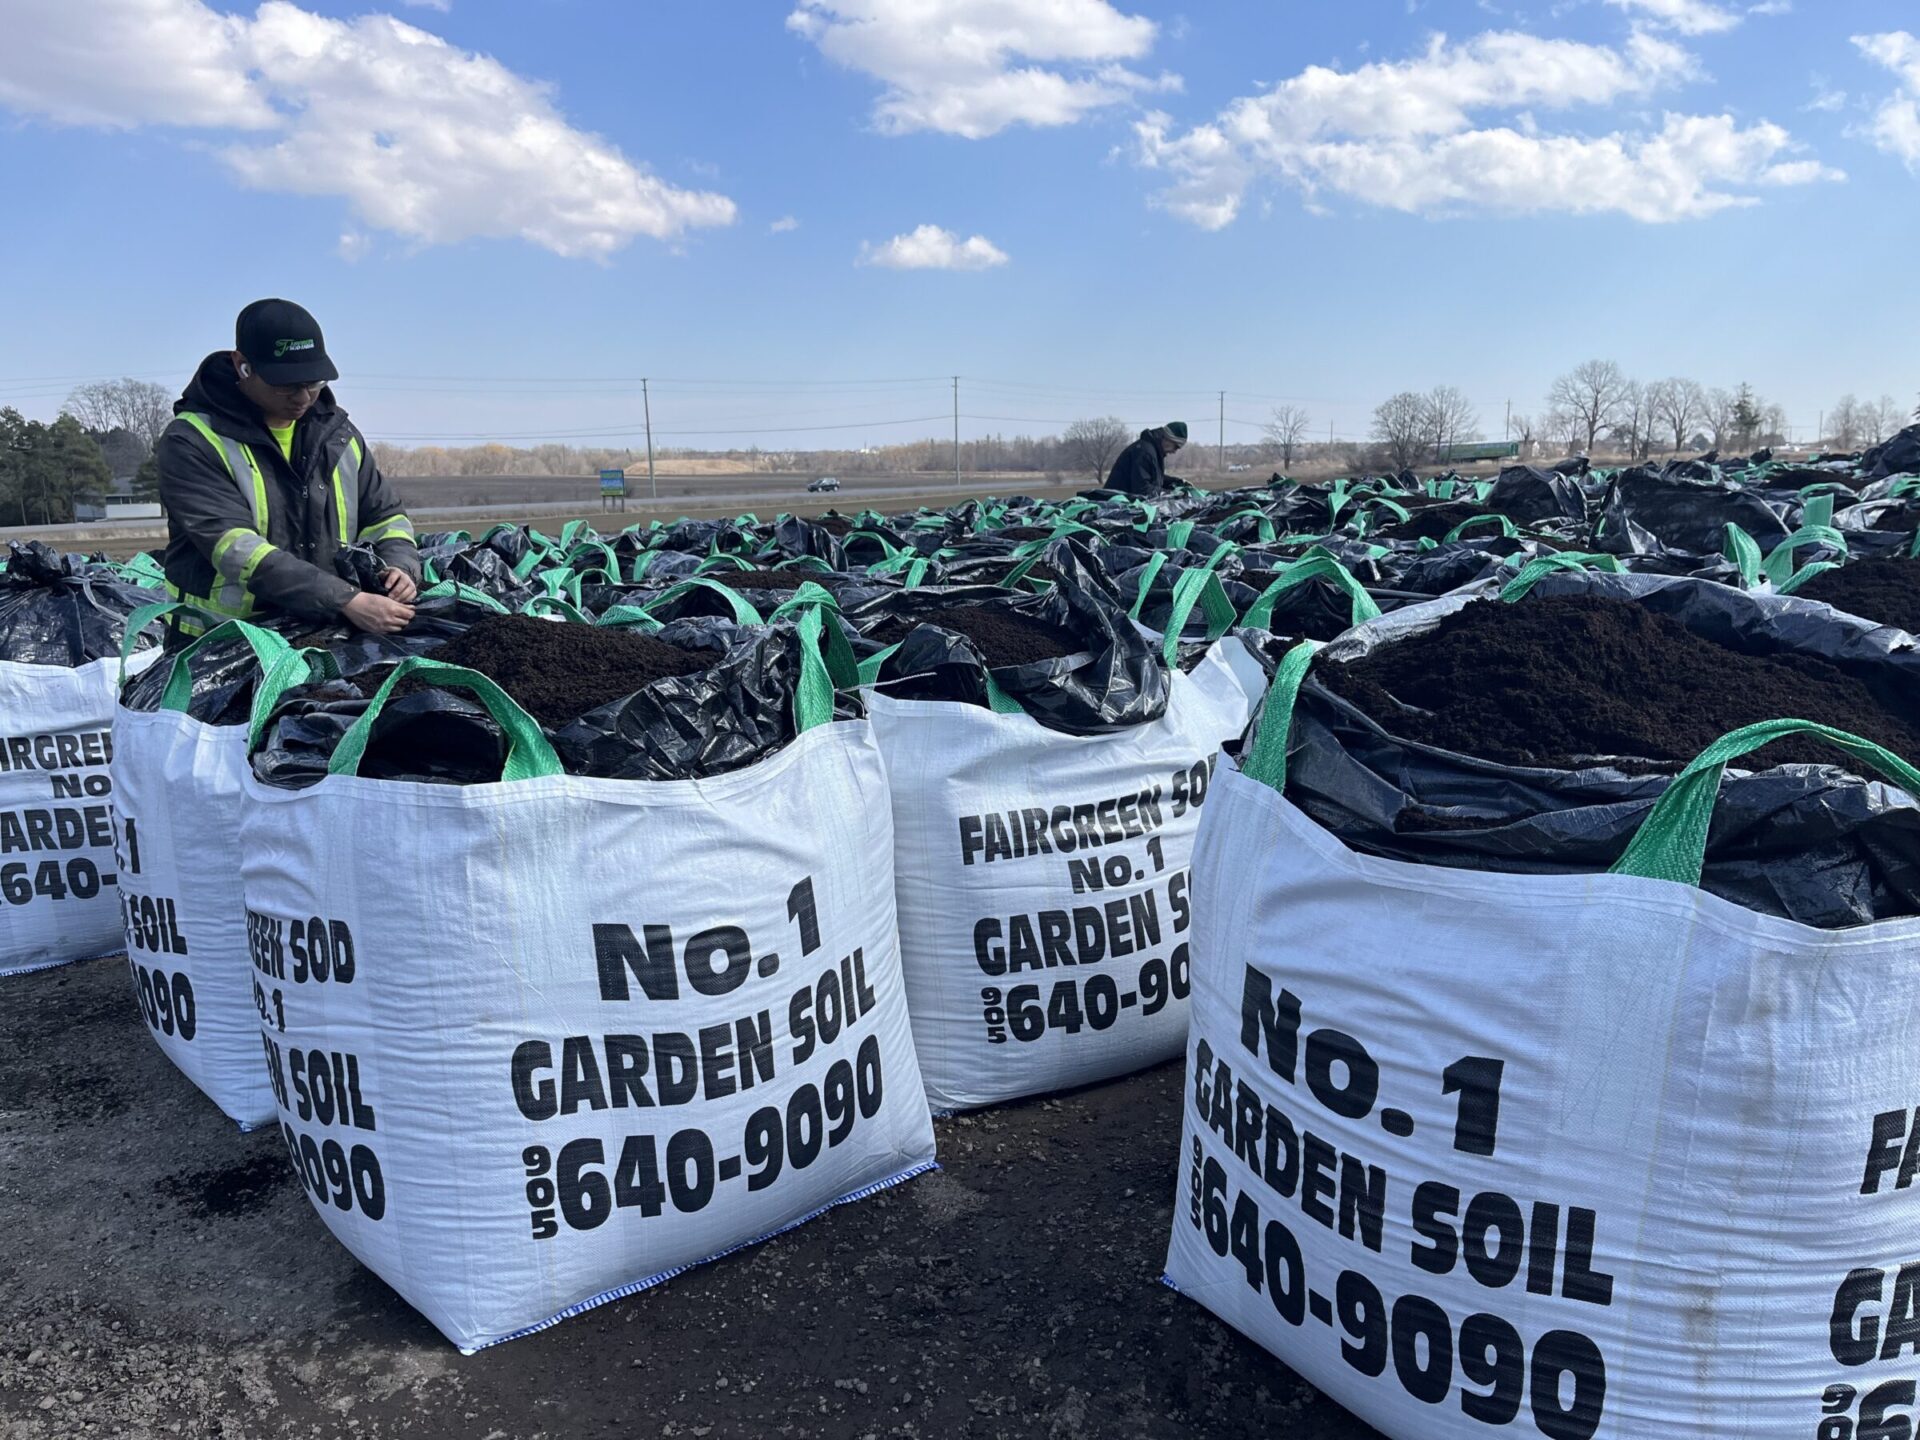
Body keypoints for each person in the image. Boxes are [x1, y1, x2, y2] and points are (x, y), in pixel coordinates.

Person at [155, 298, 419, 639]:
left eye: (314, 383)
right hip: (221, 641)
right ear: (242, 366)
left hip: (318, 631)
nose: (303, 397)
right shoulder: (193, 441)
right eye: (285, 384)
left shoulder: (339, 436)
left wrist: (401, 566)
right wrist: (345, 600)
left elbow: (387, 518)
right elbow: (237, 549)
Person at [1105, 421, 1187, 498]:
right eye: (1176, 447)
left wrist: (1176, 482)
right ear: (1168, 438)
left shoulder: (1153, 451)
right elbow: (1142, 490)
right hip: (1114, 506)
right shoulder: (1144, 452)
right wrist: (1171, 494)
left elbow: (1151, 478)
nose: (1174, 451)